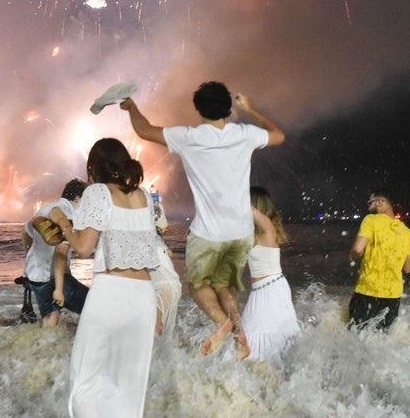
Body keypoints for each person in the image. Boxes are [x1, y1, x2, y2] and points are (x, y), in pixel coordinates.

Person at [120, 82, 285, 360]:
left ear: (197, 109)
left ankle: (223, 324)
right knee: (224, 285)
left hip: (208, 232)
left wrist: (131, 106)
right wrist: (251, 110)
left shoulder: (189, 137)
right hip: (241, 231)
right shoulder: (245, 134)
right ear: (228, 108)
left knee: (197, 286)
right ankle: (239, 336)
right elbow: (278, 135)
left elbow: (143, 130)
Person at [49, 138, 159, 417]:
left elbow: (84, 247)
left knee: (85, 379)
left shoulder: (98, 192)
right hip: (144, 296)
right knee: (128, 387)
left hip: (111, 293)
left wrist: (63, 222)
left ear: (94, 168)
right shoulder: (145, 196)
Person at [241, 187, 300, 363]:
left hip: (273, 290)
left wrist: (236, 195)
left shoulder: (268, 229)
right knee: (251, 336)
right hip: (261, 291)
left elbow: (243, 207)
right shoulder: (251, 234)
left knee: (257, 338)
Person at [20, 179, 88, 326]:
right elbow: (60, 254)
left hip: (35, 277)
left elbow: (25, 233)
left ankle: (42, 348)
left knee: (50, 324)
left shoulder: (44, 209)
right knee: (93, 308)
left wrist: (29, 257)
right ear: (78, 198)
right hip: (55, 278)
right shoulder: (69, 216)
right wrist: (58, 289)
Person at [348, 188, 410, 332]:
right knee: (382, 339)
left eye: (370, 202)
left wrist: (353, 255)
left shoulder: (371, 220)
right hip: (393, 297)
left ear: (380, 202)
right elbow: (407, 268)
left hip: (368, 291)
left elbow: (358, 249)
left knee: (356, 338)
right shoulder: (406, 232)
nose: (368, 206)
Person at [148, 186, 182, 338]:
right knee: (160, 338)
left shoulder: (144, 240)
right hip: (172, 285)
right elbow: (169, 253)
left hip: (160, 289)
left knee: (153, 337)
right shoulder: (158, 241)